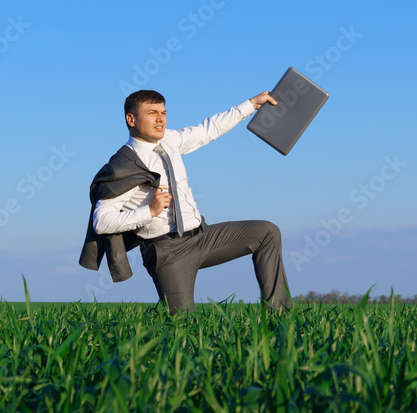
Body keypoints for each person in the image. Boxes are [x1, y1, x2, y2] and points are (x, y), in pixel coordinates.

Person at [79, 89, 292, 314]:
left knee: (267, 232)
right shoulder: (121, 165)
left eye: (163, 112)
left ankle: (279, 317)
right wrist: (149, 211)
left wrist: (251, 104)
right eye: (152, 113)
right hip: (167, 251)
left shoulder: (169, 140)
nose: (160, 119)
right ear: (131, 119)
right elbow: (101, 221)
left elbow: (209, 129)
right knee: (183, 328)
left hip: (203, 237)